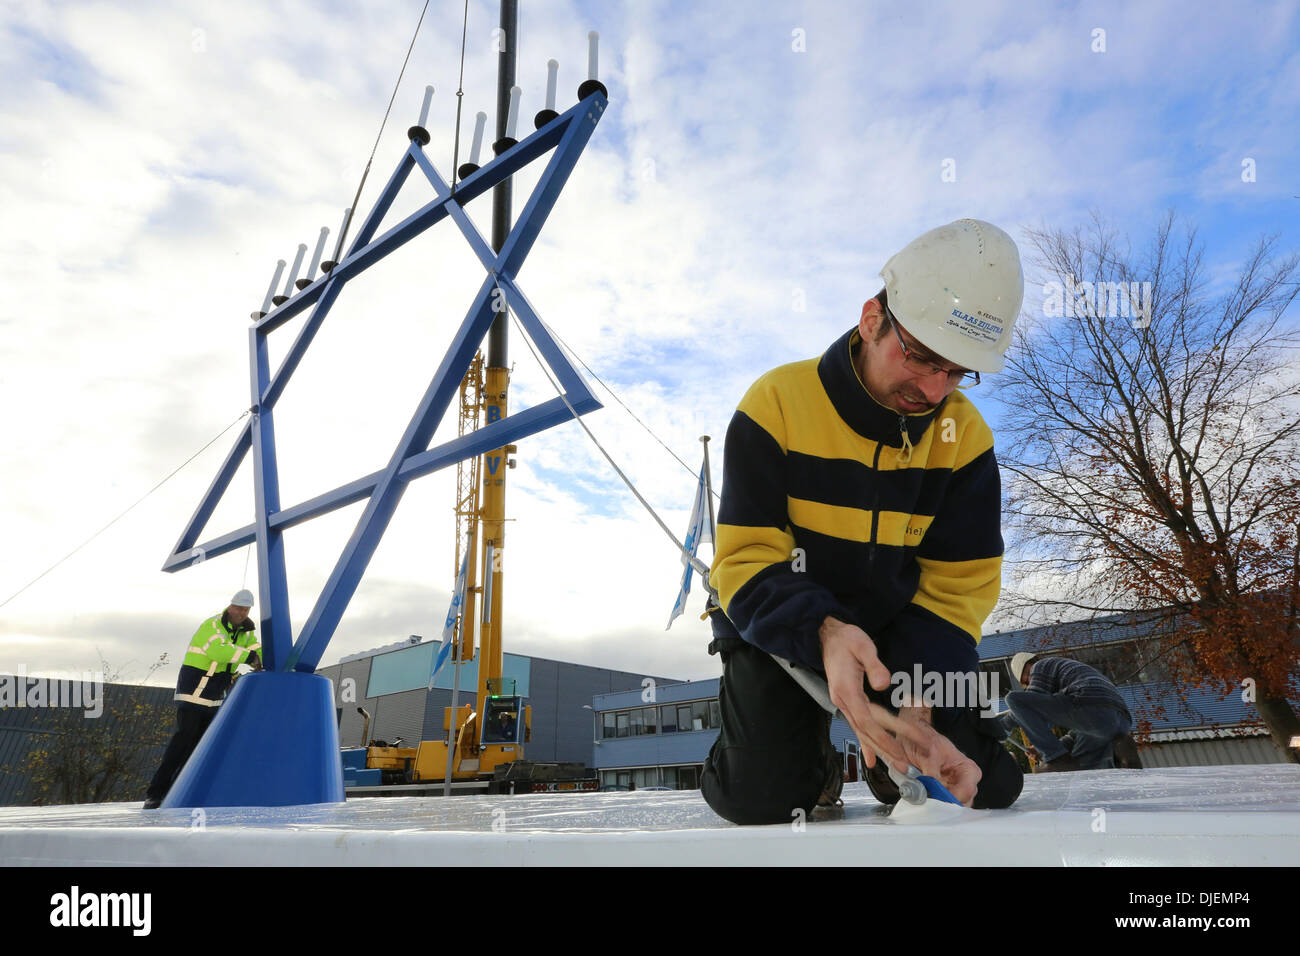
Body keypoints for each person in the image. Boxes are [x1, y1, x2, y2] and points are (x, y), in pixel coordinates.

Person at [702, 219, 1027, 824]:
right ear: (872, 319)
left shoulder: (966, 439)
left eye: (956, 371)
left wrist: (919, 698)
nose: (934, 389)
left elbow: (958, 591)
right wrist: (823, 632)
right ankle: (811, 758)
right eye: (923, 357)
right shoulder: (775, 404)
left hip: (898, 640)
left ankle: (903, 760)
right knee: (762, 798)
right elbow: (746, 560)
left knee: (972, 788)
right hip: (779, 625)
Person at [142, 589, 262, 808]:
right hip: (194, 691)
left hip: (214, 696)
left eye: (246, 610)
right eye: (238, 608)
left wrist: (268, 660)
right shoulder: (212, 626)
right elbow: (219, 651)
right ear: (230, 606)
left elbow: (257, 649)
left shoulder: (246, 634)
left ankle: (181, 792)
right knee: (182, 742)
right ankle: (156, 793)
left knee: (199, 747)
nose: (242, 613)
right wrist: (250, 657)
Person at [1002, 652, 1133, 772]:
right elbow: (1065, 728)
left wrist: (1001, 726)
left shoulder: (1040, 666)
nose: (1029, 684)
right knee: (1078, 766)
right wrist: (1041, 747)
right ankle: (1120, 755)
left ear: (1028, 665)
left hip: (1090, 706)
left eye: (1026, 680)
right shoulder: (1071, 676)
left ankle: (1056, 759)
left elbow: (1029, 705)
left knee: (1014, 699)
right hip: (1120, 723)